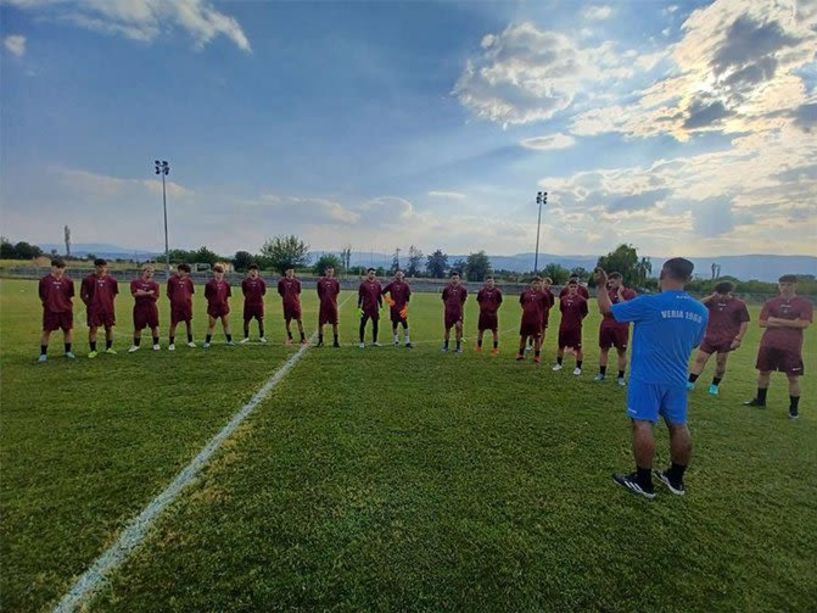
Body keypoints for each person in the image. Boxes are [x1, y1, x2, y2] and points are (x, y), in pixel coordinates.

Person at [594, 259, 708, 499]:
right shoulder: (700, 310)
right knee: (678, 425)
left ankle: (643, 481)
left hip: (647, 377)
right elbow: (696, 342)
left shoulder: (649, 303)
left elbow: (607, 310)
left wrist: (602, 286)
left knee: (642, 423)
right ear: (689, 277)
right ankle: (675, 478)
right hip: (677, 378)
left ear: (664, 273)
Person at [744, 275, 813, 419]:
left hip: (791, 346)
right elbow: (762, 322)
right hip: (769, 343)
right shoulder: (771, 302)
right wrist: (791, 322)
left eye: (788, 284)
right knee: (763, 372)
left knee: (793, 377)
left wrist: (775, 320)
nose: (785, 288)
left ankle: (793, 410)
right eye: (782, 284)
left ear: (796, 285)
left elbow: (804, 324)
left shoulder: (804, 303)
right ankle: (760, 401)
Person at [688, 281, 750, 395]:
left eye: (724, 294)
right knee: (700, 359)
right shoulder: (712, 301)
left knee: (721, 362)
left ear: (730, 293)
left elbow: (744, 322)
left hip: (727, 338)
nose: (721, 296)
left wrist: (738, 338)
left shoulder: (739, 305)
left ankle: (714, 385)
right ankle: (690, 383)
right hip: (709, 337)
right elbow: (696, 305)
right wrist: (712, 296)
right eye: (719, 293)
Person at [595, 272, 637, 385]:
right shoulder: (607, 292)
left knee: (621, 351)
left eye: (612, 282)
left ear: (620, 280)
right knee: (604, 349)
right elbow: (602, 309)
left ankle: (621, 376)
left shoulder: (629, 293)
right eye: (609, 281)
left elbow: (627, 309)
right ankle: (601, 373)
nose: (610, 284)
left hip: (621, 327)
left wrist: (619, 294)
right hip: (607, 325)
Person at [38, 258, 76, 362]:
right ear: (52, 267)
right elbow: (41, 295)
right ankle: (43, 354)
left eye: (62, 268)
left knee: (67, 330)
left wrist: (66, 305)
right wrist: (49, 304)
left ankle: (68, 351)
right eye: (58, 267)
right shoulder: (44, 281)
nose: (60, 270)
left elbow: (70, 295)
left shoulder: (68, 281)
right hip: (51, 311)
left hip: (65, 311)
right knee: (47, 331)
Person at [80, 258, 119, 358]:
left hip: (108, 309)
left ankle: (109, 348)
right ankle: (93, 350)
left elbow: (114, 294)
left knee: (109, 328)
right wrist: (90, 304)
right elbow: (83, 295)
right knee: (93, 329)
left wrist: (107, 302)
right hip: (94, 309)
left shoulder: (112, 280)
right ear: (96, 267)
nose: (102, 269)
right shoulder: (88, 280)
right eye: (100, 267)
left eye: (104, 267)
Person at [553, 280, 588, 375]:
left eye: (575, 287)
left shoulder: (582, 300)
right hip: (564, 326)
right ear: (568, 287)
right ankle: (559, 364)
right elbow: (562, 310)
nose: (573, 288)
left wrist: (577, 320)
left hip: (576, 327)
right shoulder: (563, 299)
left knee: (578, 348)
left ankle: (578, 367)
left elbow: (585, 312)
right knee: (561, 346)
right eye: (571, 286)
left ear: (577, 287)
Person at [128, 264, 160, 353]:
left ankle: (156, 344)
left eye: (152, 272)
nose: (150, 273)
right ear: (144, 271)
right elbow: (135, 294)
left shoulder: (155, 284)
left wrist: (142, 292)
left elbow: (155, 297)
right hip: (139, 307)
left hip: (151, 307)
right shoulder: (135, 282)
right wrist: (148, 293)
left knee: (154, 326)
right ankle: (136, 345)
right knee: (138, 327)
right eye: (148, 271)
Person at [517, 277, 548, 364]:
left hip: (537, 320)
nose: (536, 285)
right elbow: (522, 304)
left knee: (537, 338)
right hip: (526, 319)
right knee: (523, 337)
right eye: (534, 283)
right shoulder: (525, 293)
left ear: (540, 284)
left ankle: (537, 356)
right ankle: (520, 354)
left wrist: (537, 313)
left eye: (538, 283)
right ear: (531, 283)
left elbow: (545, 307)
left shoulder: (543, 295)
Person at [167, 263, 196, 351]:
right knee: (173, 323)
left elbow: (191, 292)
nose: (187, 274)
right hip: (176, 306)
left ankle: (190, 341)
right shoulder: (172, 280)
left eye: (188, 273)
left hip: (187, 306)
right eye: (186, 272)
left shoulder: (189, 281)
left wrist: (187, 300)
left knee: (188, 323)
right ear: (180, 270)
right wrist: (175, 300)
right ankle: (171, 343)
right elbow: (169, 293)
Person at [204, 264, 233, 348]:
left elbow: (228, 296)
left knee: (226, 324)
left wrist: (227, 305)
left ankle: (229, 340)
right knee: (211, 325)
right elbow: (207, 295)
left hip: (223, 308)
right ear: (214, 273)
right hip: (213, 308)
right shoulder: (209, 284)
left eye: (221, 272)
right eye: (217, 272)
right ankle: (207, 342)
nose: (219, 274)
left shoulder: (226, 284)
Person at [382, 270, 412, 347]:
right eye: (397, 274)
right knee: (394, 324)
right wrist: (389, 301)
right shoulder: (392, 285)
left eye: (400, 274)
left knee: (405, 324)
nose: (399, 276)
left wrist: (405, 308)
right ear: (395, 276)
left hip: (402, 308)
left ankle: (407, 341)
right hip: (394, 308)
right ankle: (396, 340)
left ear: (403, 276)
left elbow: (408, 298)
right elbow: (383, 292)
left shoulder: (405, 285)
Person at [278, 267, 306, 345]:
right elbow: (280, 292)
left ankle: (303, 338)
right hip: (287, 304)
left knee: (299, 321)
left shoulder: (297, 282)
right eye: (289, 271)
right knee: (288, 321)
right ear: (286, 272)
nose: (290, 273)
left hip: (296, 304)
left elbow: (298, 292)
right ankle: (290, 338)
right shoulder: (281, 282)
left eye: (292, 271)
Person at [240, 264, 267, 344]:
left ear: (257, 272)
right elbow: (244, 292)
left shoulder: (261, 282)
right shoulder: (245, 282)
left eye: (255, 270)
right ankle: (246, 337)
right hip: (248, 305)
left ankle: (261, 337)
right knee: (246, 321)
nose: (253, 272)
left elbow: (263, 292)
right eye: (252, 270)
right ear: (249, 272)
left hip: (258, 305)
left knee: (260, 321)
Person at [441, 271, 468, 353]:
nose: (455, 280)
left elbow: (463, 301)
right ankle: (445, 346)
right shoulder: (446, 289)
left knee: (458, 328)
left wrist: (458, 307)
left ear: (459, 279)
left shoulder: (463, 289)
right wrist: (448, 307)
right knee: (447, 329)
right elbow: (444, 300)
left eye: (456, 278)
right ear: (450, 279)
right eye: (453, 278)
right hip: (449, 312)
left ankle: (458, 347)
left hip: (458, 312)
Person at [476, 277, 503, 354]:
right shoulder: (482, 291)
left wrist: (494, 309)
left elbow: (499, 302)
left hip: (493, 315)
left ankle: (495, 348)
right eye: (488, 281)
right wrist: (483, 307)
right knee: (481, 330)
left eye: (491, 281)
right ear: (486, 282)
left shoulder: (497, 292)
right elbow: (479, 301)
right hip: (483, 314)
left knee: (495, 331)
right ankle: (479, 347)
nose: (490, 283)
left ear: (494, 282)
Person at [358, 268, 383, 348]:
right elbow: (360, 296)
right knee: (363, 324)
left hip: (375, 308)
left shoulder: (378, 284)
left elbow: (379, 296)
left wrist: (381, 305)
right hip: (366, 308)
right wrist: (359, 307)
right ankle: (361, 342)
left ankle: (375, 341)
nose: (373, 275)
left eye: (374, 273)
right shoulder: (363, 284)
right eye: (371, 273)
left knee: (375, 324)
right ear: (368, 274)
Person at [317, 265, 341, 347]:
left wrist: (332, 301)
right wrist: (324, 300)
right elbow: (319, 293)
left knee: (335, 323)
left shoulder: (336, 282)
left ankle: (336, 341)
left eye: (331, 271)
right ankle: (320, 341)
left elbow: (337, 292)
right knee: (321, 323)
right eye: (328, 271)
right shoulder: (320, 281)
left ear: (333, 272)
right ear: (325, 272)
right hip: (323, 305)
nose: (330, 273)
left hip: (333, 306)